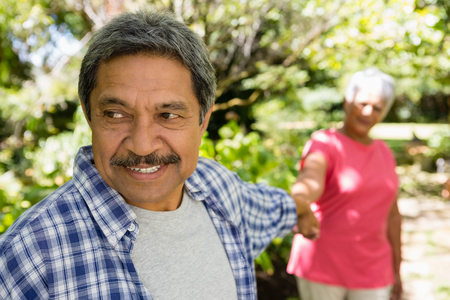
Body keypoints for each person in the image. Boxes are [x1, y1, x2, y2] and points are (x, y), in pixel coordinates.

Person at [0, 11, 298, 300]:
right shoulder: (27, 256)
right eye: (115, 114)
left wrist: (305, 211)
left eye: (168, 115)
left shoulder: (217, 187)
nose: (142, 146)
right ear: (90, 116)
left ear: (203, 120)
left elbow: (274, 208)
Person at [287, 68, 403, 300]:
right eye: (362, 103)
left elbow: (392, 215)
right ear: (346, 101)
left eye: (377, 108)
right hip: (323, 266)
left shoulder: (385, 152)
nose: (368, 112)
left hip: (373, 270)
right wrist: (299, 202)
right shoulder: (325, 143)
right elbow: (310, 179)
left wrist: (397, 269)